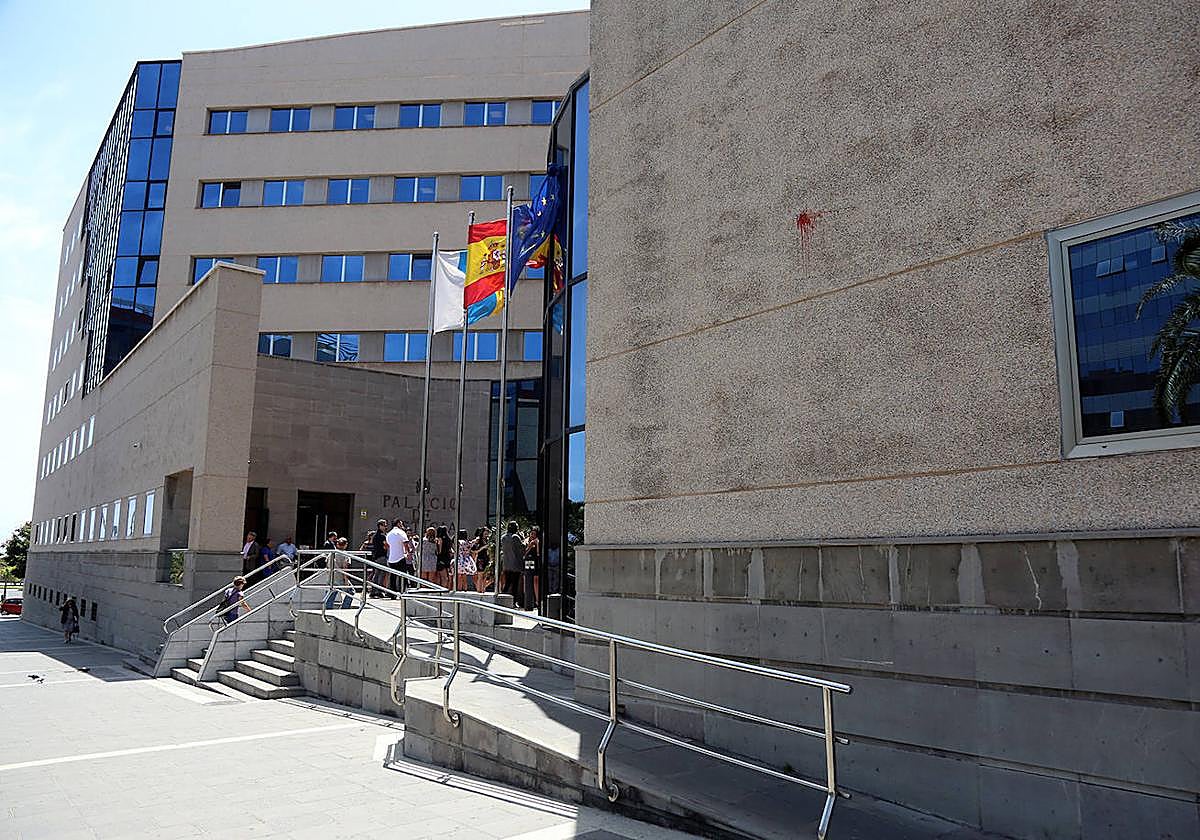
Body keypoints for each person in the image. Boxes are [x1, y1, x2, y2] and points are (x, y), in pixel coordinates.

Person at [384, 519, 412, 595]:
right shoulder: (401, 532)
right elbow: (406, 543)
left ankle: (392, 593)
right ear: (398, 524)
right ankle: (403, 592)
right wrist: (408, 553)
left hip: (391, 558)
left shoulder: (389, 534)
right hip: (400, 557)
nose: (402, 525)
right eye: (401, 523)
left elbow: (386, 545)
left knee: (392, 576)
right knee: (403, 575)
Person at [500, 521, 525, 607]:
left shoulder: (503, 537)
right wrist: (523, 538)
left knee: (507, 583)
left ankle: (502, 599)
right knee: (514, 584)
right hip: (515, 564)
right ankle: (513, 602)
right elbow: (522, 548)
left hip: (507, 564)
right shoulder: (516, 537)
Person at [523, 525, 541, 610]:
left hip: (536, 562)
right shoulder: (527, 541)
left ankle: (537, 600)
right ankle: (527, 602)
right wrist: (529, 546)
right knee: (527, 581)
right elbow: (524, 554)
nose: (532, 536)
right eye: (531, 534)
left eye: (534, 534)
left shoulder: (538, 542)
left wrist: (537, 544)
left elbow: (538, 554)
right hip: (528, 562)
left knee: (536, 580)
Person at [472, 527, 492, 593]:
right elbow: (474, 550)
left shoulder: (488, 540)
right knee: (480, 575)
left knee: (485, 575)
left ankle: (483, 589)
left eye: (487, 532)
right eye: (485, 531)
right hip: (480, 559)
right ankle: (479, 590)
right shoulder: (478, 540)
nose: (486, 533)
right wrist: (483, 547)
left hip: (487, 558)